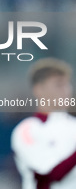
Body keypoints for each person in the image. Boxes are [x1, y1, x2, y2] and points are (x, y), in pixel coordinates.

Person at [11, 58, 76, 189]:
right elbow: (51, 174)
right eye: (59, 85)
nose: (66, 90)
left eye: (67, 84)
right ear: (39, 90)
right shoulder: (27, 129)